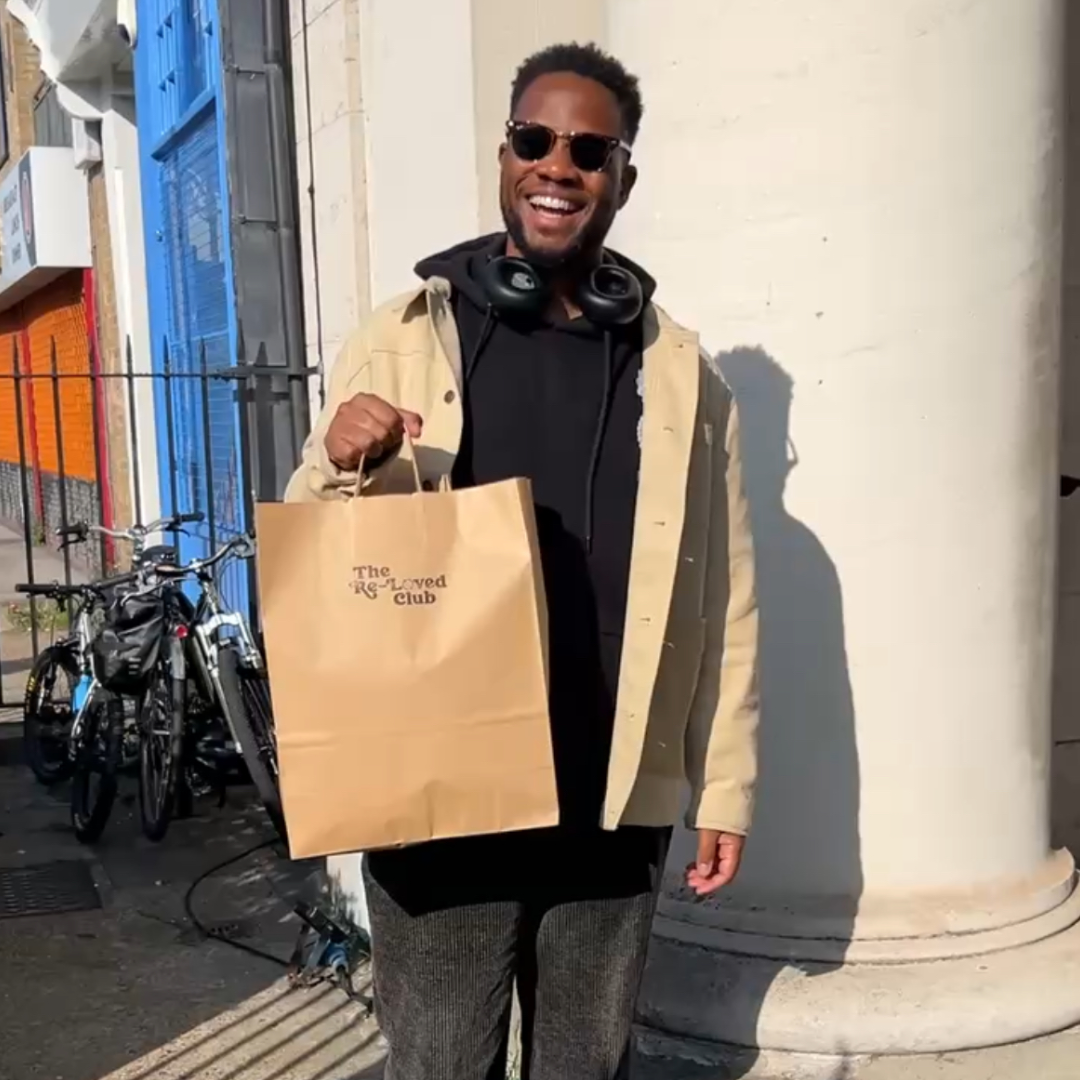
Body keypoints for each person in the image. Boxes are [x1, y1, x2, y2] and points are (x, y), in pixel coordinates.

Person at [285, 41, 759, 1080]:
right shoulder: (406, 336)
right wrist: (337, 459)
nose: (558, 166)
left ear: (622, 176)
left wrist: (724, 784)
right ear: (503, 155)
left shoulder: (681, 375)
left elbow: (724, 595)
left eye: (589, 151)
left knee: (584, 1066)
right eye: (534, 140)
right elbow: (319, 549)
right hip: (439, 793)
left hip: (609, 791)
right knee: (441, 1063)